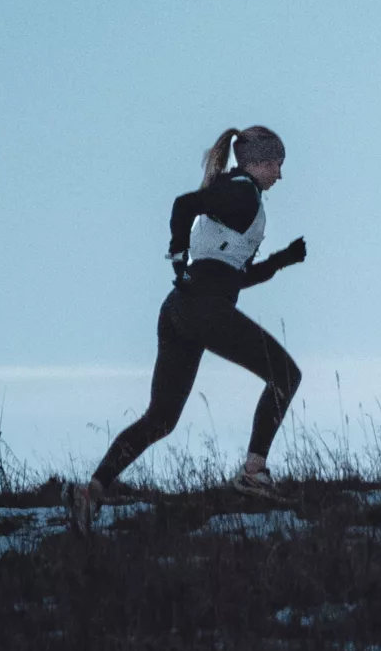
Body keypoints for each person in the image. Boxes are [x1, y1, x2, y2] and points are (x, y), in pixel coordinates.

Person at [68, 126, 309, 534]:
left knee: (161, 418)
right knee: (285, 375)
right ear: (259, 163)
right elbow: (183, 205)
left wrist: (282, 260)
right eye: (277, 165)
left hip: (179, 310)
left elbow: (235, 276)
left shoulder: (241, 197)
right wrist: (177, 256)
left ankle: (92, 491)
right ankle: (254, 472)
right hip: (203, 310)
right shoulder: (242, 192)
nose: (280, 176)